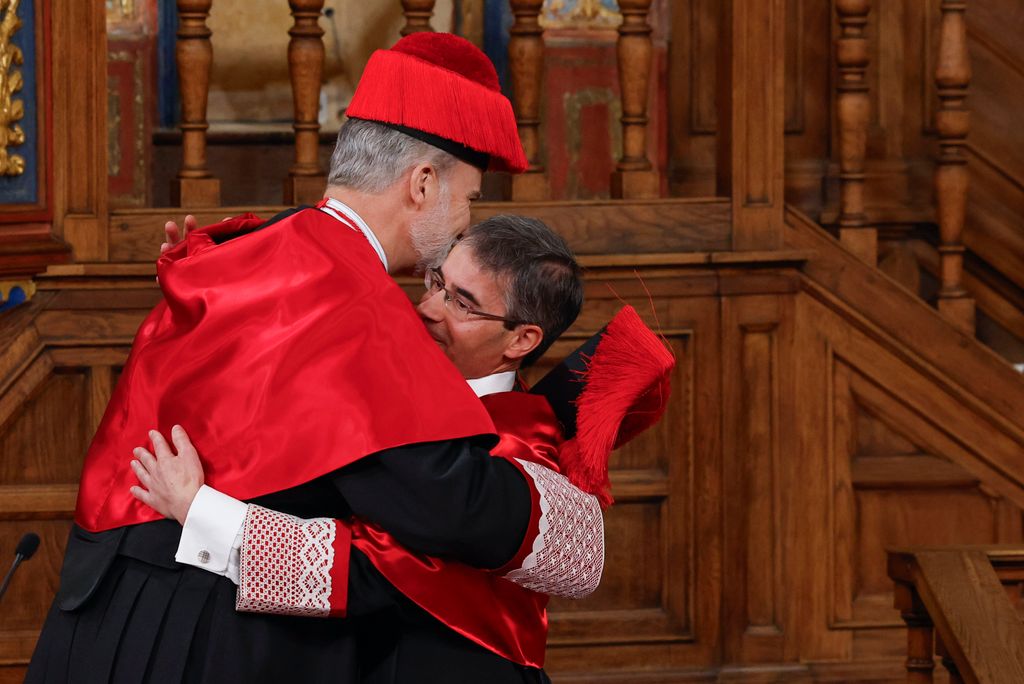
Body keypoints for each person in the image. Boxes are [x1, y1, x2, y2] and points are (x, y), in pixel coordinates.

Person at [26, 34, 600, 684]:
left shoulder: (258, 245)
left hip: (103, 612)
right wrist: (562, 515)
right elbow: (439, 502)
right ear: (422, 183)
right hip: (204, 633)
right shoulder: (354, 299)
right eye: (467, 196)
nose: (465, 221)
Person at [129, 216, 675, 683]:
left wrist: (199, 511)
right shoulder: (391, 374)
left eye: (461, 302)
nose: (427, 309)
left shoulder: (515, 448)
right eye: (436, 282)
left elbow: (359, 575)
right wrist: (211, 294)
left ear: (521, 341)